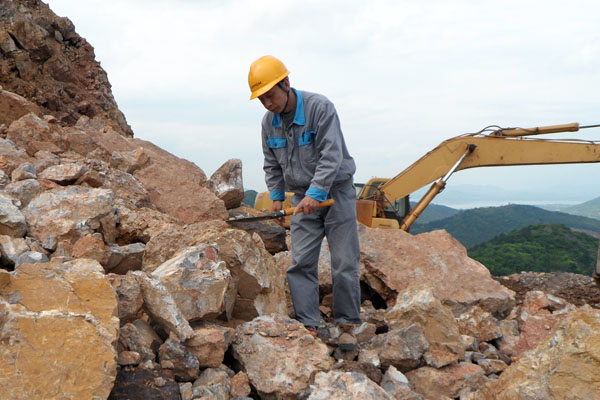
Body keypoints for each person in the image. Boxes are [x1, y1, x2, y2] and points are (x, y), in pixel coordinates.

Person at [248, 55, 361, 350]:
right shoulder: (268, 123)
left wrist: (317, 192)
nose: (268, 104)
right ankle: (309, 325)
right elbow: (272, 164)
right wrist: (275, 197)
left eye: (270, 95)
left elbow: (331, 155)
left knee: (344, 261)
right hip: (300, 199)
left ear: (286, 83)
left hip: (336, 193)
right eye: (261, 99)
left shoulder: (319, 108)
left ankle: (347, 324)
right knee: (301, 262)